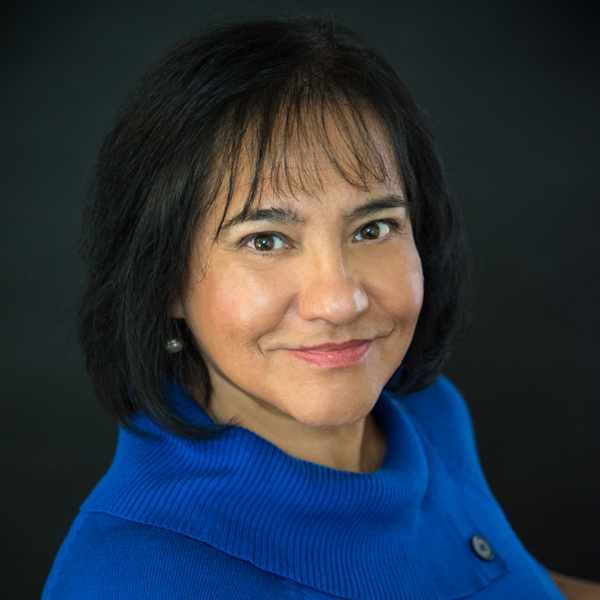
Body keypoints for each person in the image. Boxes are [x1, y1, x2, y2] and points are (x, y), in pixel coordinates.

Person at [42, 16, 597, 600]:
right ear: (164, 279)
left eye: (374, 227)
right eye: (265, 240)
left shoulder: (429, 414)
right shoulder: (131, 577)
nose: (339, 301)